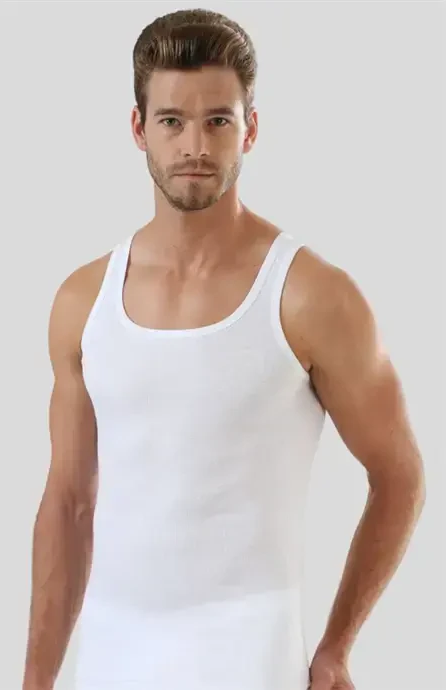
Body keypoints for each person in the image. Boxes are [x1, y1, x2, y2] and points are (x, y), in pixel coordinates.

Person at [22, 8, 426, 690]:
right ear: (138, 129)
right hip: (111, 655)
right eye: (172, 121)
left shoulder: (310, 297)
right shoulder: (82, 301)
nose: (195, 145)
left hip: (250, 655)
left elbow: (400, 475)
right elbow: (67, 503)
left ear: (251, 129)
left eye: (218, 120)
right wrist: (35, 680)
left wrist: (336, 647)